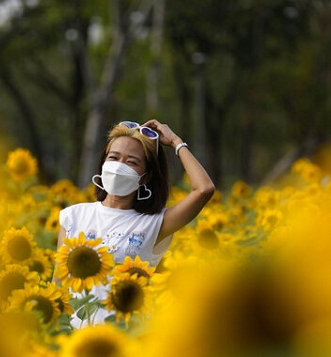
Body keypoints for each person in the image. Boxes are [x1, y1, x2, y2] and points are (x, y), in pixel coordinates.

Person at [57, 120, 215, 327]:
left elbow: (204, 189)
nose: (119, 166)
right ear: (104, 163)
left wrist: (176, 142)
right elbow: (58, 284)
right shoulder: (73, 216)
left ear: (145, 177)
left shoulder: (155, 223)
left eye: (131, 162)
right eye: (113, 158)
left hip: (127, 337)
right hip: (74, 340)